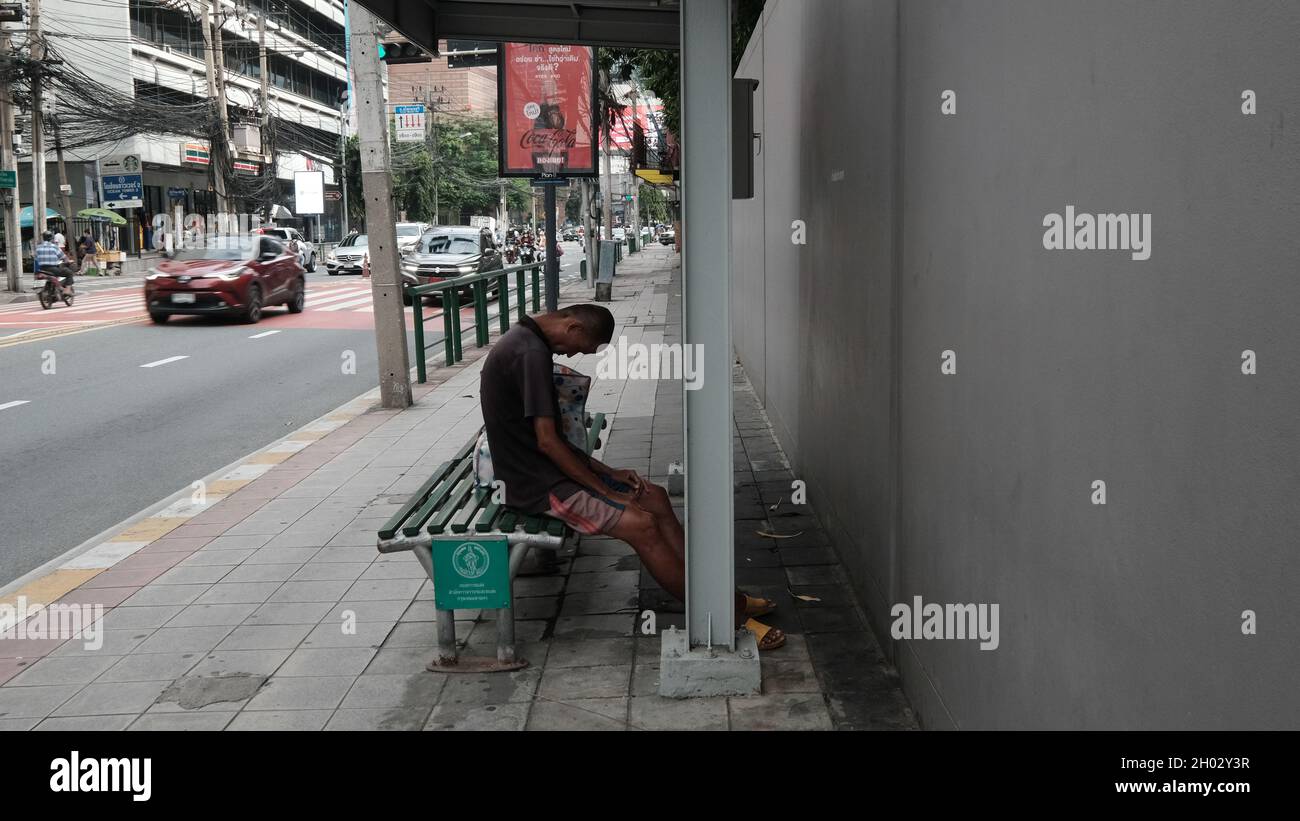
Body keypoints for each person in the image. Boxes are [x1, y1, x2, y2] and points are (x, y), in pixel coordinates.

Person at [479, 305, 786, 651]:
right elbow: (548, 442)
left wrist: (609, 474)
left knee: (652, 495)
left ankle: (724, 598)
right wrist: (604, 490)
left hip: (548, 472)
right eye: (583, 346)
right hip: (536, 487)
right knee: (642, 526)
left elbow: (553, 443)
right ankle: (730, 619)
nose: (578, 353)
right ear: (573, 326)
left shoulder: (527, 342)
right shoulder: (529, 353)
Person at [34, 231, 75, 296]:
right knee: (69, 273)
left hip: (41, 269)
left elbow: (36, 258)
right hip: (52, 269)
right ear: (51, 238)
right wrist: (68, 261)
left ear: (43, 238)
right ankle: (67, 290)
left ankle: (57, 288)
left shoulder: (38, 247)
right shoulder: (54, 247)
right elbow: (63, 257)